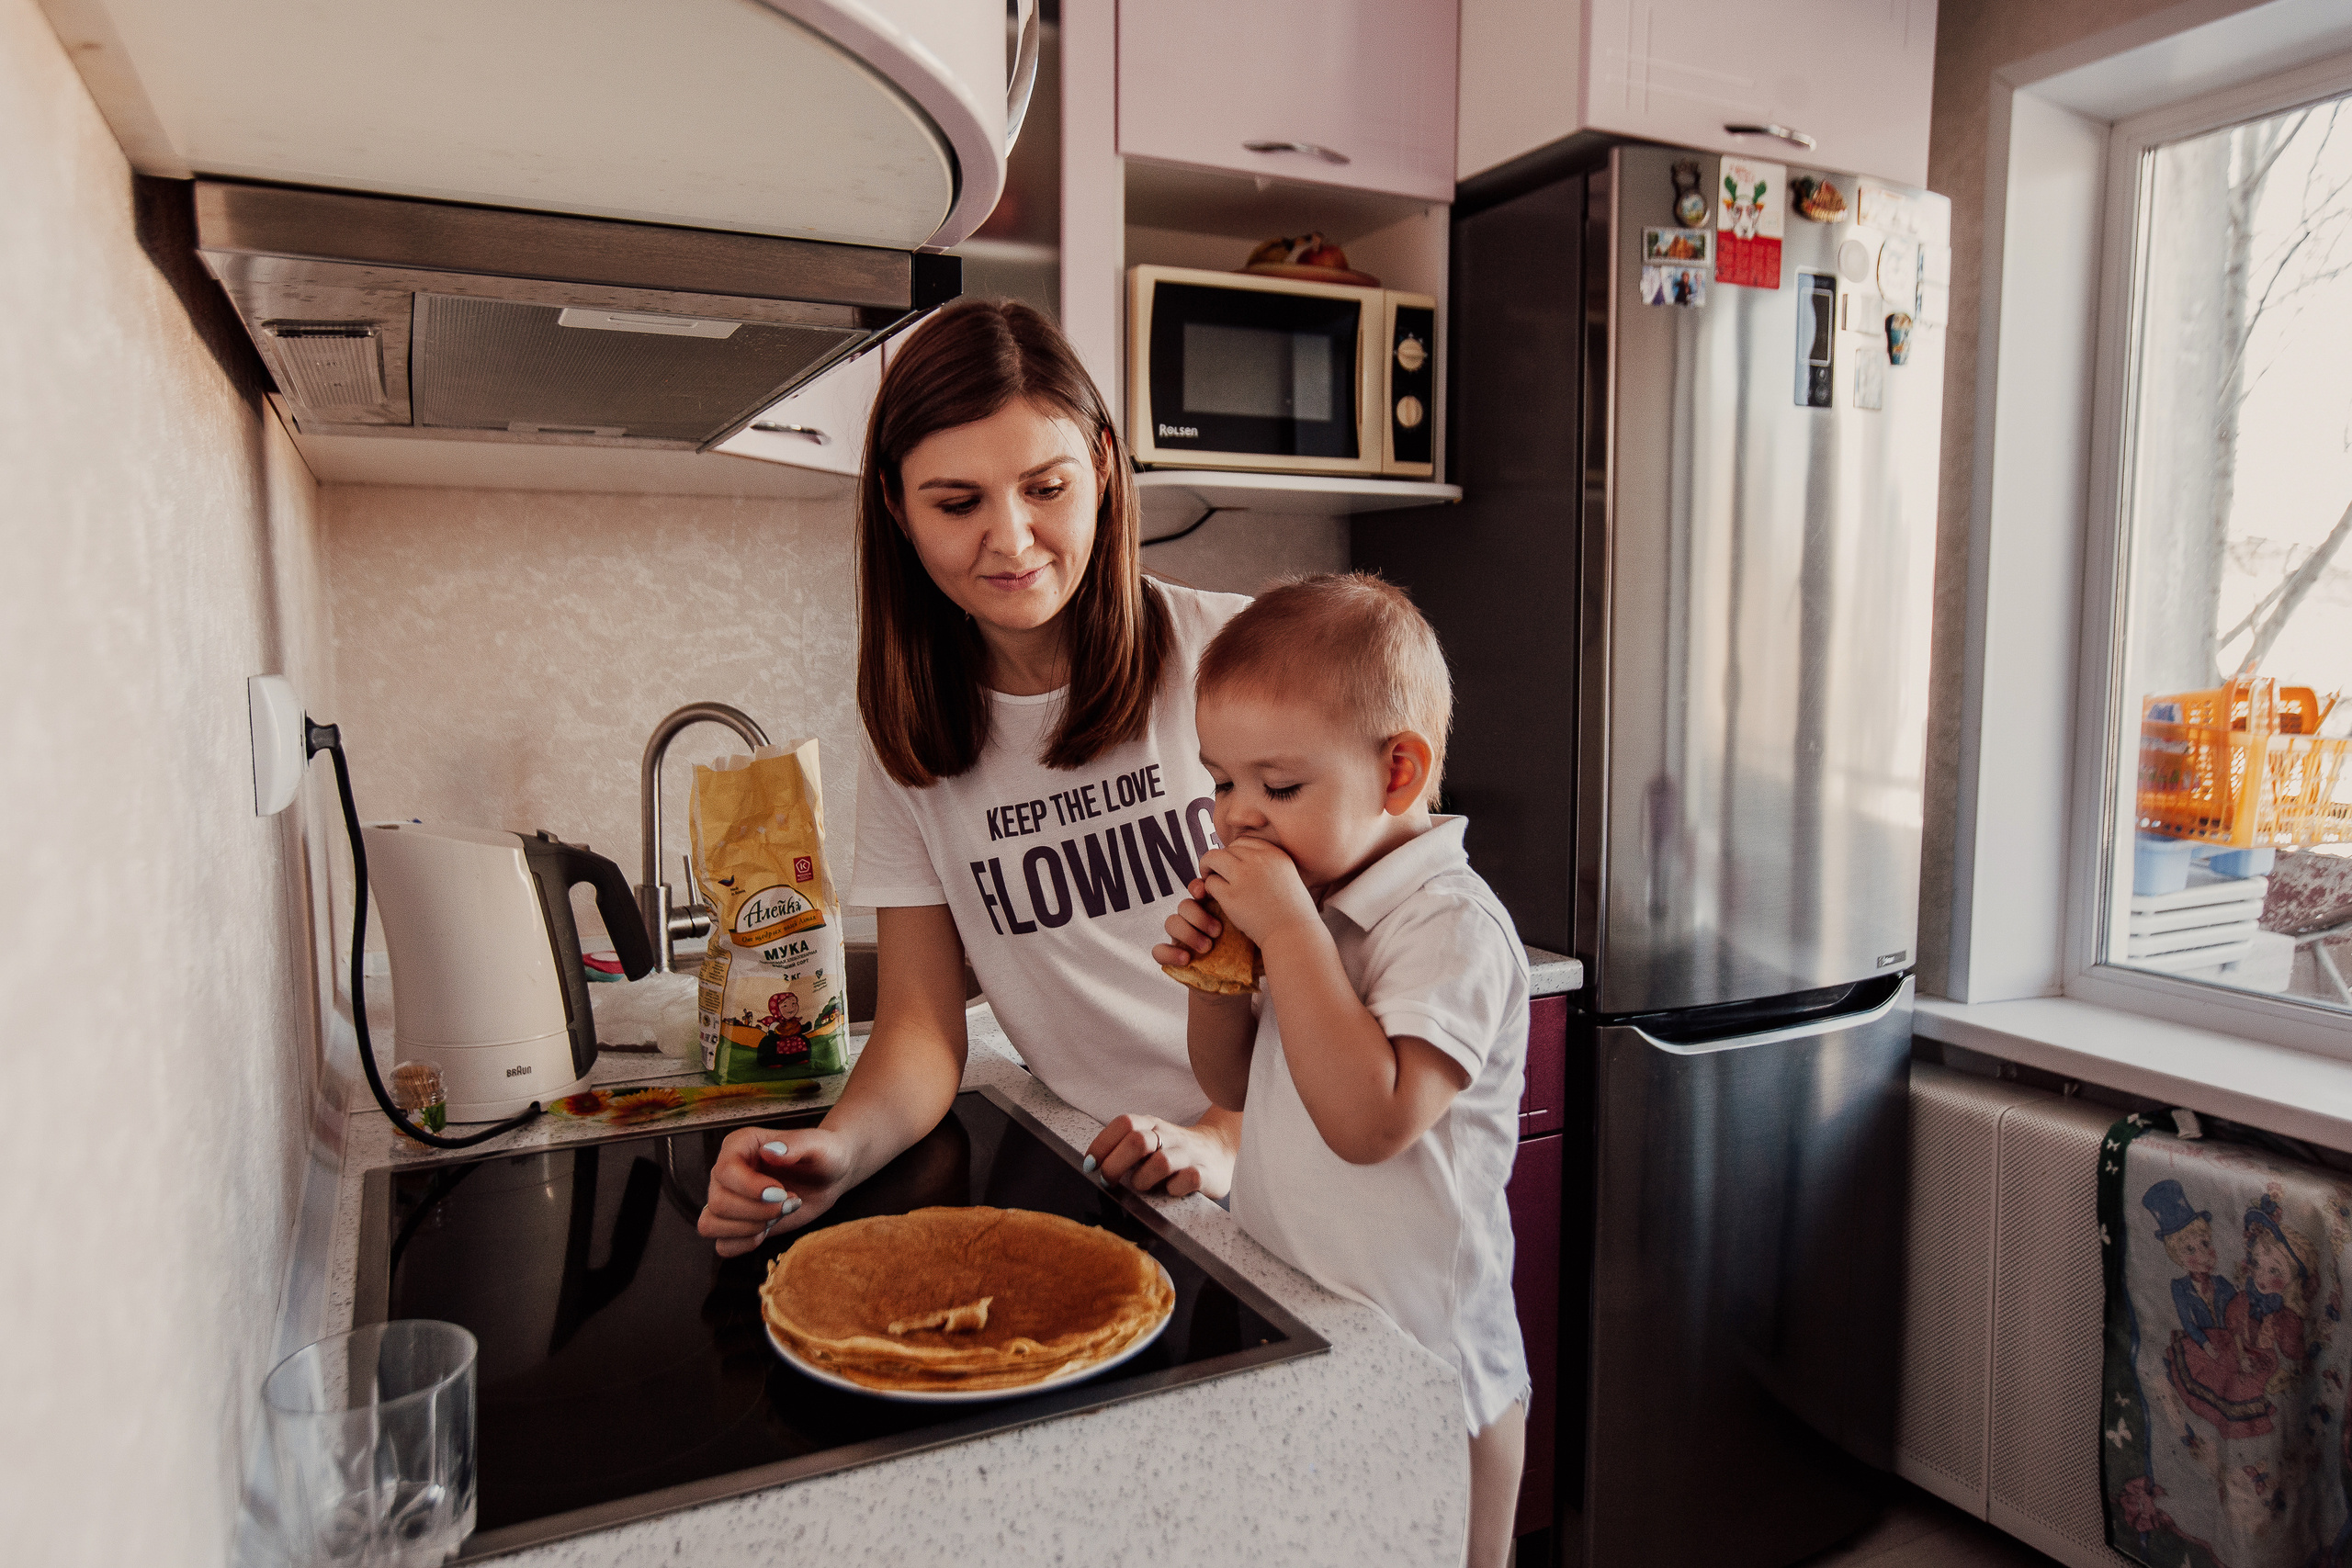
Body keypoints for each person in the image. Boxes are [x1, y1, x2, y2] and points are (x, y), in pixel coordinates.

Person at [698, 299, 1250, 1258]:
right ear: (895, 508)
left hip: (1304, 1164)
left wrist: (1226, 1135)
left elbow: (1363, 960)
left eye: (1046, 487)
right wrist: (835, 1150)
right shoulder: (913, 733)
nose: (1012, 538)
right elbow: (919, 1029)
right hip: (1124, 1183)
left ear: (1105, 468)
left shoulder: (1233, 657)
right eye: (958, 504)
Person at [1156, 574, 1532, 1568]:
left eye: (1277, 787)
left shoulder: (1447, 924)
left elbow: (1374, 1123)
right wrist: (1216, 980)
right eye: (1221, 781)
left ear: (1398, 773)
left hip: (1430, 1371)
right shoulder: (1315, 896)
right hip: (1310, 1324)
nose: (1238, 817)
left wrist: (1284, 934)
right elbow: (1232, 1086)